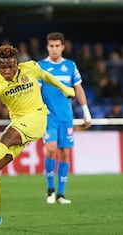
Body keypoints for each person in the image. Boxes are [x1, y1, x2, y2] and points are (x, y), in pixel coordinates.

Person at [0, 44, 75, 229]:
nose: (8, 71)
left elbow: (46, 76)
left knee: (6, 138)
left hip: (37, 118)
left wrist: (64, 89)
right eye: (3, 67)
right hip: (18, 123)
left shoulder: (31, 67)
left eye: (11, 66)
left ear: (17, 63)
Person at [38, 32, 92, 204]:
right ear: (47, 47)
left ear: (62, 47)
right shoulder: (40, 67)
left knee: (64, 154)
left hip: (66, 117)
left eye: (57, 46)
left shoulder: (70, 66)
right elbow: (35, 93)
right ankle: (49, 191)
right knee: (51, 150)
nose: (54, 49)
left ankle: (61, 194)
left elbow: (79, 89)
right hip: (48, 117)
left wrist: (86, 111)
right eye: (51, 46)